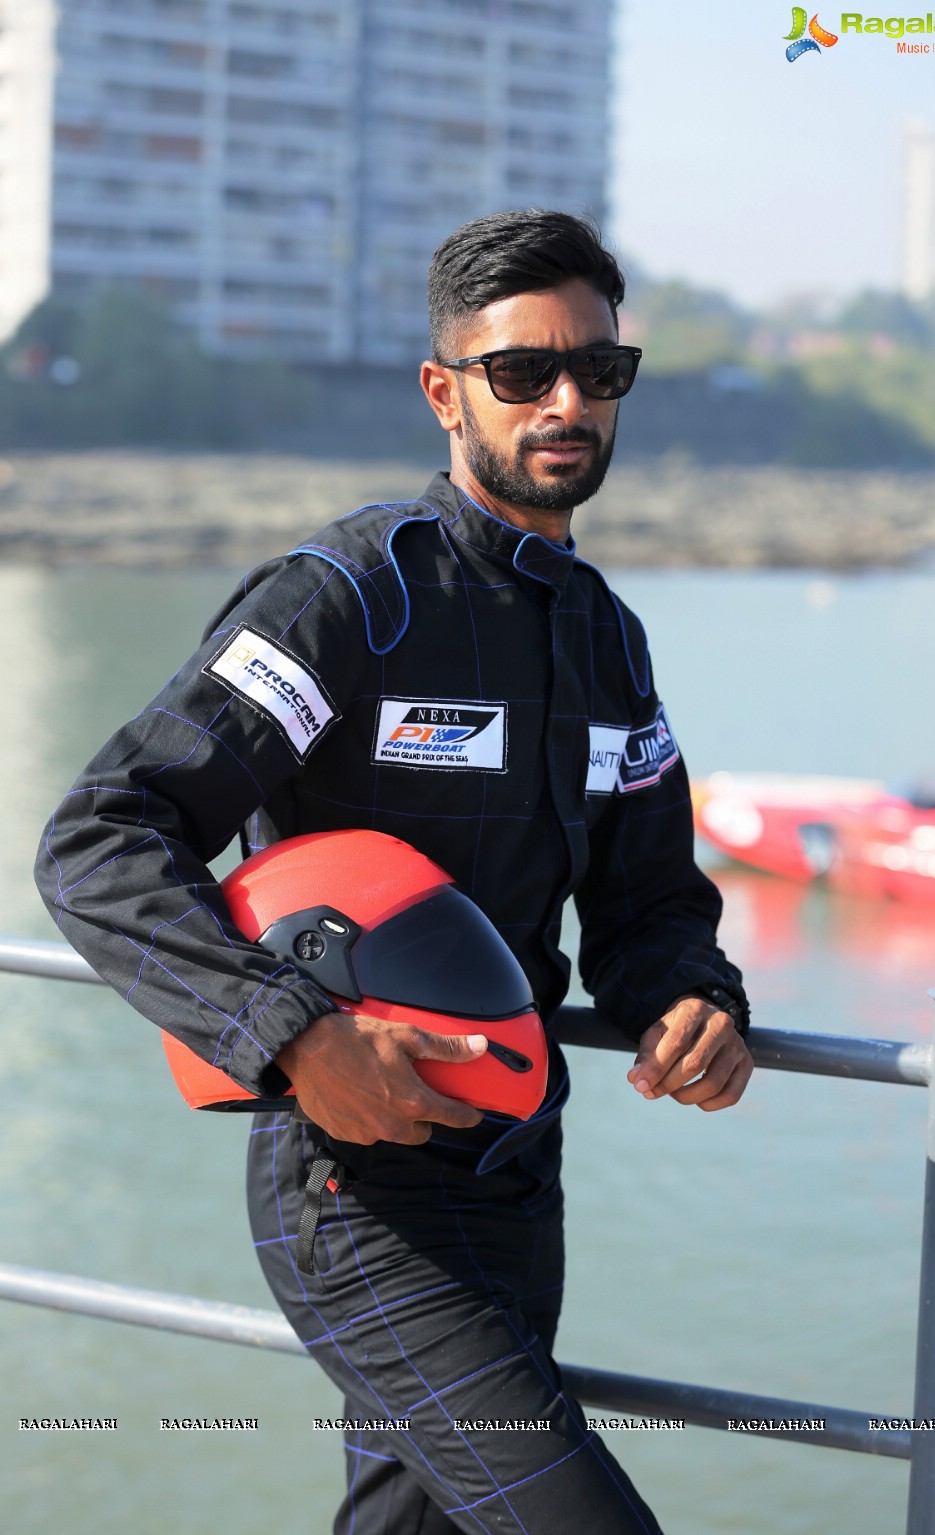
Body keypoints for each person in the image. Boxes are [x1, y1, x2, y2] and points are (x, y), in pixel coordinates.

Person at [36, 209, 753, 1534]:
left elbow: (649, 901)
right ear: (443, 391)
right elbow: (102, 836)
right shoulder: (350, 603)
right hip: (359, 1199)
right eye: (521, 371)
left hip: (521, 1188)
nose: (567, 401)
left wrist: (694, 1001)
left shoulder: (608, 641)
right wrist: (292, 1032)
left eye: (600, 371)